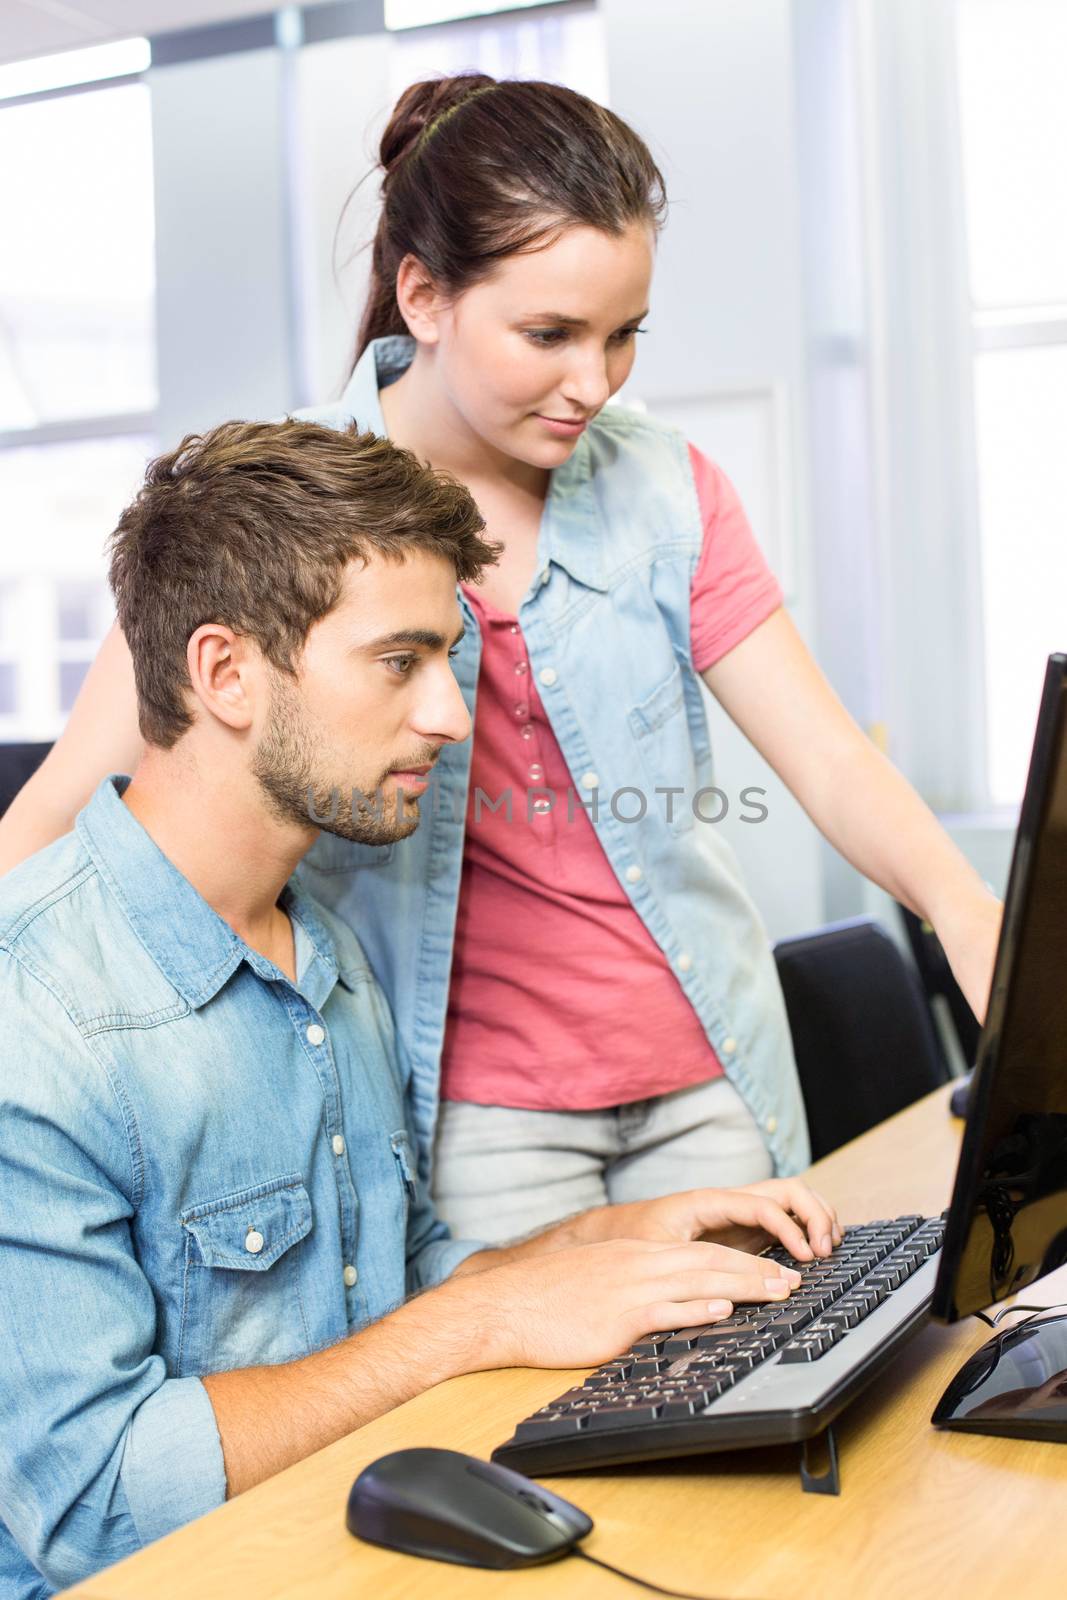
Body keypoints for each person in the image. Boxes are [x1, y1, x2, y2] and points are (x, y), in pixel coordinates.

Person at [0, 74, 1002, 1245]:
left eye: (622, 334)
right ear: (420, 296)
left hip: (704, 1070)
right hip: (471, 1113)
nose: (594, 381)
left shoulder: (665, 490)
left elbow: (827, 758)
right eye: (549, 335)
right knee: (516, 1422)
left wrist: (960, 904)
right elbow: (64, 806)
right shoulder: (277, 507)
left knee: (764, 1394)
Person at [0, 418, 841, 1598]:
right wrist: (478, 1324)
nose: (451, 717)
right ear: (225, 671)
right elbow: (90, 1501)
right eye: (400, 661)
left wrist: (599, 1248)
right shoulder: (33, 1016)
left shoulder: (324, 949)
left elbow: (395, 1277)